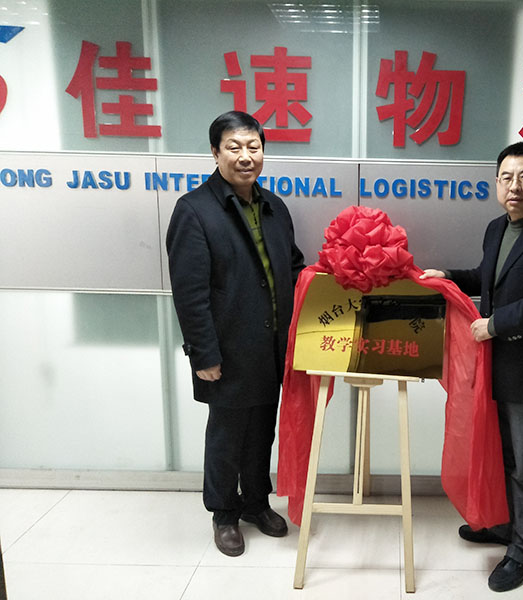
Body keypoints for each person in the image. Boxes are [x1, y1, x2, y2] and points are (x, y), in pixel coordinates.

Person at [420, 141, 523, 592]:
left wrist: (493, 325)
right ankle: (505, 526)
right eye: (507, 177)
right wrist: (449, 277)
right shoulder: (497, 228)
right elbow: (487, 278)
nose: (515, 186)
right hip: (497, 369)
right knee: (505, 456)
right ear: (496, 184)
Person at [166, 111, 305, 557]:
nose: (246, 156)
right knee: (227, 435)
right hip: (226, 348)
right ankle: (224, 513)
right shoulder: (195, 210)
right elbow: (190, 293)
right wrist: (203, 354)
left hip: (271, 346)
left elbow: (294, 268)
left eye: (253, 147)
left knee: (262, 430)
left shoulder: (275, 207)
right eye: (234, 147)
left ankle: (256, 502)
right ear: (215, 152)